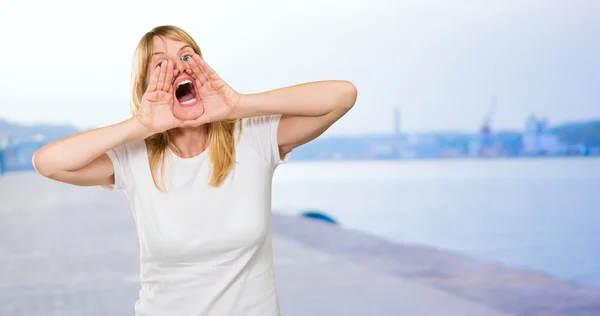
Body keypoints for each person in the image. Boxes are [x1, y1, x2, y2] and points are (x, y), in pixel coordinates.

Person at [32, 25, 357, 316]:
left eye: (186, 55)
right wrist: (141, 124)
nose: (176, 67)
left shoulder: (253, 139)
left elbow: (342, 96)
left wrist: (237, 105)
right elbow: (49, 162)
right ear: (146, 85)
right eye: (160, 64)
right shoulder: (133, 158)